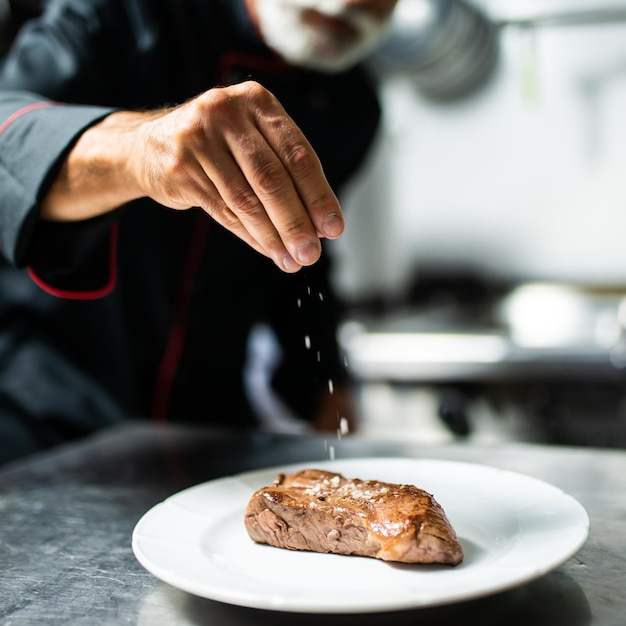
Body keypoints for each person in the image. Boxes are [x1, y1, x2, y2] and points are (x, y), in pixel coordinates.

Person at [0, 0, 398, 464]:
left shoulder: (351, 104)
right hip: (51, 426)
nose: (350, 3)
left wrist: (327, 388)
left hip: (212, 437)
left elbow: (304, 258)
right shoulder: (121, 14)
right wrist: (140, 149)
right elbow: (8, 140)